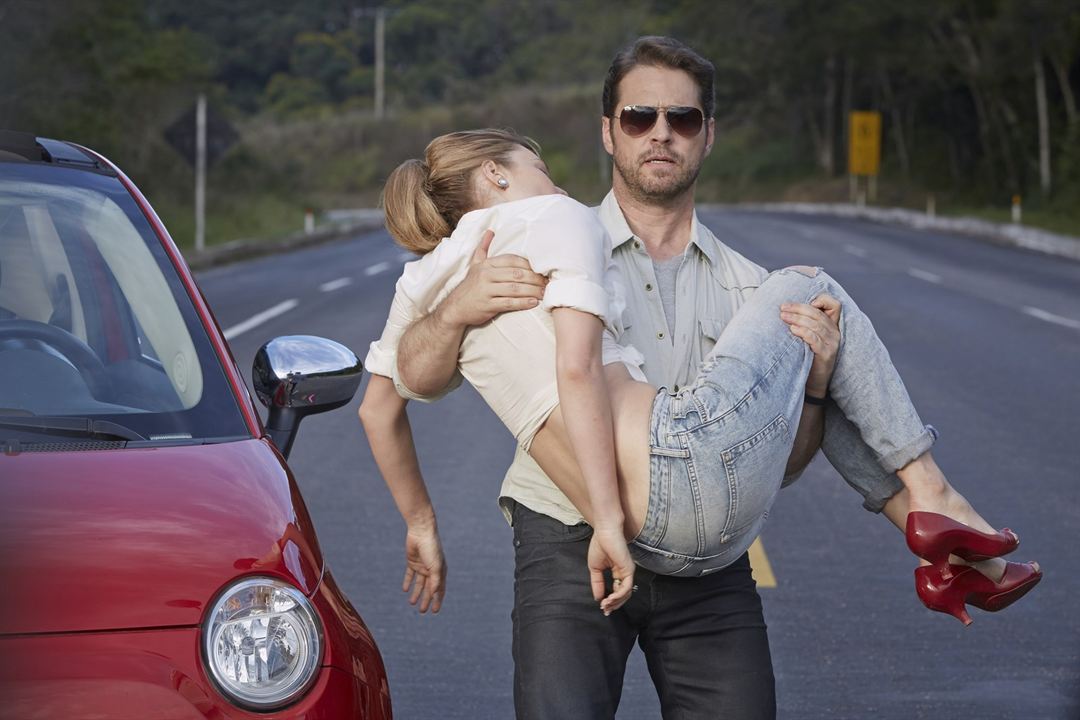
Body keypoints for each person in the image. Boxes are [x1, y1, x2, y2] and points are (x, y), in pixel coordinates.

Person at [359, 39, 1040, 720]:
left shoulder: (747, 289)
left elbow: (772, 463)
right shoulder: (547, 232)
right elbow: (427, 374)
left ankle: (934, 516)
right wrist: (458, 309)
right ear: (608, 131)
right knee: (810, 286)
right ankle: (935, 512)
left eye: (682, 119)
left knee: (812, 329)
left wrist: (812, 384)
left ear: (707, 136)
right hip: (570, 538)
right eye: (639, 116)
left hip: (705, 546)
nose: (661, 132)